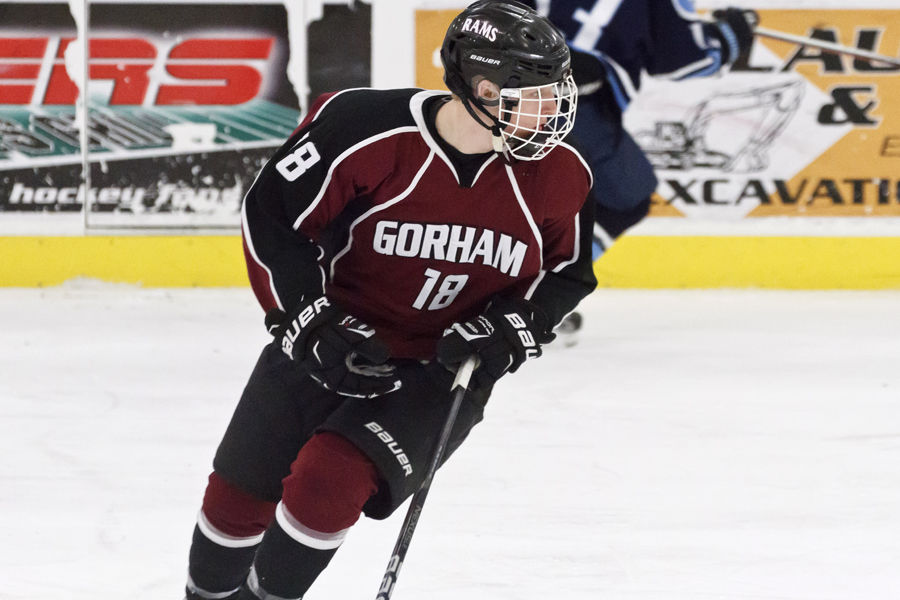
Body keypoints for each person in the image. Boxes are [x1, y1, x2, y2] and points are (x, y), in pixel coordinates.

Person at [183, 2, 596, 599]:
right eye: (536, 95)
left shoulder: (562, 175)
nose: (553, 110)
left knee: (328, 480)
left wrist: (517, 324)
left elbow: (565, 273)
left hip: (442, 371)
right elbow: (273, 215)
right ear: (483, 89)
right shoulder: (363, 128)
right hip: (335, 336)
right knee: (237, 496)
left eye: (556, 92)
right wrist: (306, 320)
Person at [520, 0, 757, 335]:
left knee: (512, 193)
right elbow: (682, 58)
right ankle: (533, 299)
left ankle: (505, 291)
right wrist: (731, 36)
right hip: (574, 106)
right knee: (626, 198)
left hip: (509, 89)